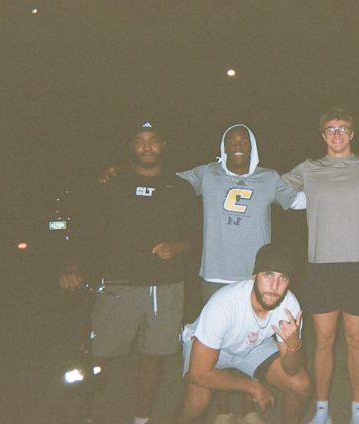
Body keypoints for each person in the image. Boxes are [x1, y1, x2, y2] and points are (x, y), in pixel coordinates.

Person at [102, 124, 304, 424]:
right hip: (215, 273)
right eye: (231, 141)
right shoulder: (207, 174)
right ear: (223, 146)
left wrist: (340, 176)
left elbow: (300, 201)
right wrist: (122, 171)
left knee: (250, 341)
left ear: (252, 146)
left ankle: (247, 409)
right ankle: (223, 410)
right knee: (219, 345)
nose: (238, 145)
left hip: (257, 277)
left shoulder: (269, 178)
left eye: (243, 141)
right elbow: (164, 181)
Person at [59, 121, 199, 424]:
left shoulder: (179, 187)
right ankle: (85, 412)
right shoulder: (113, 184)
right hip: (118, 284)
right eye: (140, 141)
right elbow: (89, 231)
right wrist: (72, 267)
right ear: (131, 147)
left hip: (165, 286)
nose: (147, 147)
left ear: (163, 144)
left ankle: (141, 419)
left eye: (153, 140)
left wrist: (176, 247)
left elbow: (196, 235)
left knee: (153, 356)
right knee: (97, 354)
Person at [282, 106, 359, 424]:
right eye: (331, 129)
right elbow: (270, 188)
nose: (337, 133)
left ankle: (357, 410)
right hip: (321, 267)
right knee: (322, 342)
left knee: (356, 341)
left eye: (343, 128)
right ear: (322, 135)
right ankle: (322, 410)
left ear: (352, 133)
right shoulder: (308, 168)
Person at [174, 243, 311, 424]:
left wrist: (294, 345)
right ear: (254, 277)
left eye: (283, 278)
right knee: (198, 400)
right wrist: (252, 386)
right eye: (268, 275)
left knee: (301, 385)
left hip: (252, 345)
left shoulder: (290, 306)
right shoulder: (224, 304)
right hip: (210, 346)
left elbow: (291, 369)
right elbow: (198, 373)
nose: (274, 286)